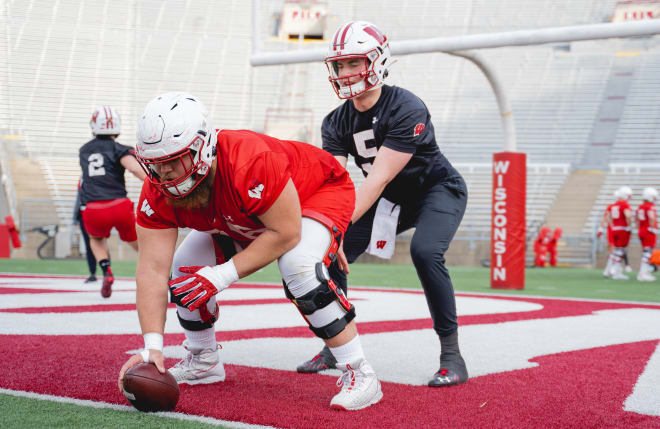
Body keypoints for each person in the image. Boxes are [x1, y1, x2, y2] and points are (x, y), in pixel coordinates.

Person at [116, 92, 383, 411]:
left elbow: (285, 233)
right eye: (156, 164)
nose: (165, 174)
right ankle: (204, 360)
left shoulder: (247, 159)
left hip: (315, 192)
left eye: (173, 160)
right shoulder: (157, 189)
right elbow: (151, 271)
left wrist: (220, 276)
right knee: (185, 266)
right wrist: (152, 348)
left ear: (202, 148)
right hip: (247, 212)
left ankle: (360, 371)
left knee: (297, 266)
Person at [296, 21, 469, 388]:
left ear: (376, 61)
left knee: (425, 252)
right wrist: (325, 228)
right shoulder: (336, 121)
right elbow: (332, 182)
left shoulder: (406, 106)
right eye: (340, 65)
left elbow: (378, 179)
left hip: (436, 190)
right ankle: (335, 344)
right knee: (325, 251)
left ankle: (451, 354)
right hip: (390, 200)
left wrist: (336, 225)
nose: (345, 73)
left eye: (353, 63)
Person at [79, 106, 146, 297]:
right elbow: (134, 168)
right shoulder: (119, 149)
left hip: (93, 207)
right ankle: (163, 274)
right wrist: (155, 185)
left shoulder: (84, 150)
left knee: (96, 239)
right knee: (141, 246)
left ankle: (106, 270)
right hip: (119, 205)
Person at [602, 186, 633, 280]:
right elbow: (628, 216)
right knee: (620, 251)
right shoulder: (624, 205)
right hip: (622, 229)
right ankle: (615, 271)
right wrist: (629, 226)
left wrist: (612, 225)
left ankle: (608, 270)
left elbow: (607, 218)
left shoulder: (613, 206)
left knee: (615, 251)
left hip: (614, 229)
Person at [73, 179, 97, 283]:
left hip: (96, 212)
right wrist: (75, 217)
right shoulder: (83, 177)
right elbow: (78, 198)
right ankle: (93, 273)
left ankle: (106, 271)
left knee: (99, 242)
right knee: (89, 244)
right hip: (84, 214)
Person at [636, 187, 658, 282]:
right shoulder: (649, 206)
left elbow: (636, 220)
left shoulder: (640, 207)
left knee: (646, 252)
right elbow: (651, 217)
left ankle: (644, 272)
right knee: (647, 253)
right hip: (648, 231)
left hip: (641, 230)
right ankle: (642, 274)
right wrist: (653, 228)